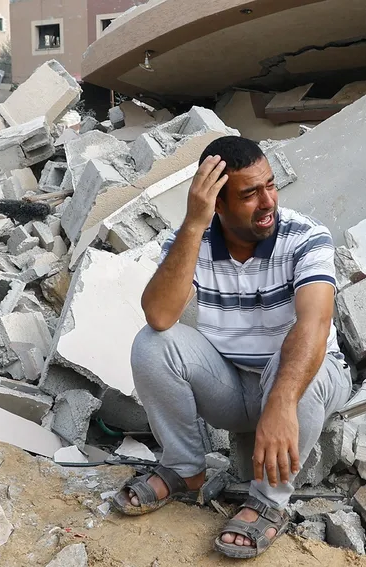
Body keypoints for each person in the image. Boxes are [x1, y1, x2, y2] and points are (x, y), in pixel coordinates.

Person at [112, 135, 351, 559]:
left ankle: (268, 501)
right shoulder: (193, 239)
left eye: (270, 185)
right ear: (217, 204)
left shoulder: (306, 236)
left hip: (305, 380)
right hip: (234, 384)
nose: (268, 202)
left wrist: (281, 402)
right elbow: (160, 316)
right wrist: (192, 224)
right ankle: (184, 469)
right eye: (250, 194)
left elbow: (314, 324)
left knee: (298, 362)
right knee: (152, 343)